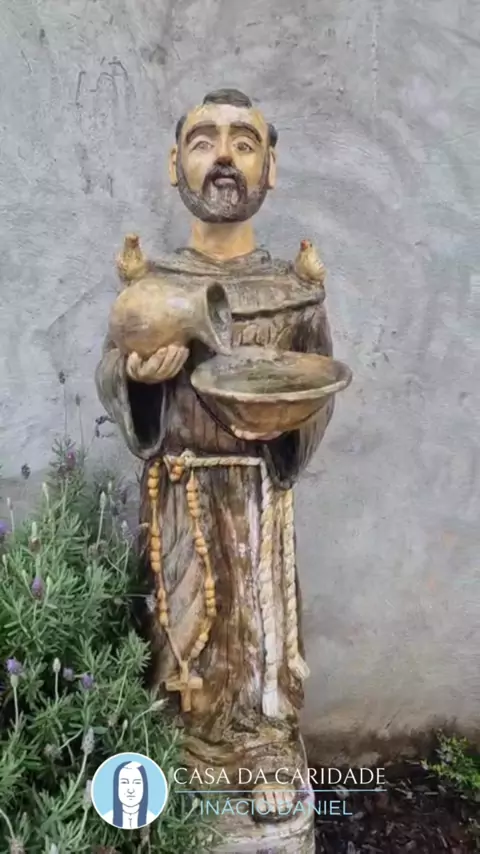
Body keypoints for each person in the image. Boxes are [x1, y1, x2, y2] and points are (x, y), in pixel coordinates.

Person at [96, 88, 334, 822]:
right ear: (176, 164)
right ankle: (173, 748)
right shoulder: (154, 286)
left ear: (271, 167)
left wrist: (287, 426)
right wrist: (138, 383)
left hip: (257, 497)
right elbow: (111, 371)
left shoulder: (291, 289)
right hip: (178, 494)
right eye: (203, 141)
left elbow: (320, 379)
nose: (223, 157)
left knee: (255, 634)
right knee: (176, 630)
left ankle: (262, 748)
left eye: (243, 142)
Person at [102, 760, 156, 829]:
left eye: (137, 782)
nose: (130, 790)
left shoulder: (150, 816)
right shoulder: (108, 816)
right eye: (124, 782)